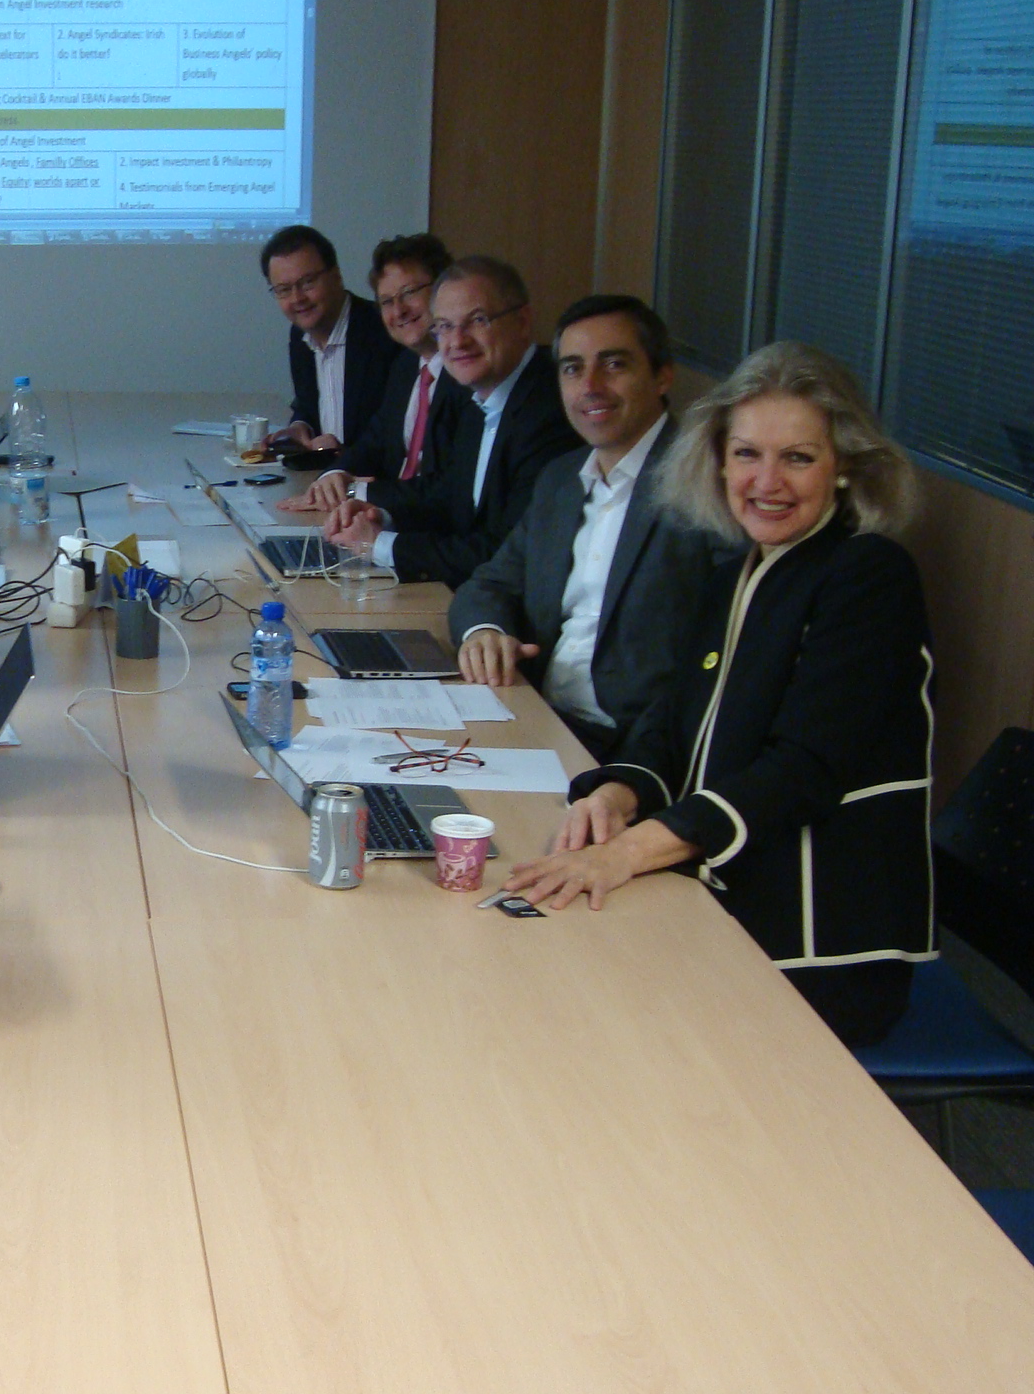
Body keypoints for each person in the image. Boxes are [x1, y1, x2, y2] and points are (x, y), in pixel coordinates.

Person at [505, 341, 932, 1046]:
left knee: (582, 1015)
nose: (767, 481)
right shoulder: (739, 567)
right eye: (746, 454)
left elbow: (803, 769)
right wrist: (618, 794)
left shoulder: (869, 575)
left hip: (817, 944)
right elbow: (672, 718)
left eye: (798, 458)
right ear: (718, 461)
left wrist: (628, 853)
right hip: (716, 889)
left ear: (845, 467)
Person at [447, 296, 735, 758]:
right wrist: (484, 631)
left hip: (634, 750)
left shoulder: (706, 482)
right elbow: (491, 582)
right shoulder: (561, 479)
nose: (590, 386)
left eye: (614, 365)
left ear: (663, 376)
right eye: (572, 369)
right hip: (536, 715)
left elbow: (724, 657)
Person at [323, 256, 580, 587]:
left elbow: (506, 552)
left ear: (522, 321)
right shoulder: (481, 394)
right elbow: (454, 496)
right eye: (444, 326)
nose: (457, 341)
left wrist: (380, 545)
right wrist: (380, 515)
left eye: (477, 320)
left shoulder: (550, 410)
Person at [279, 233, 464, 512]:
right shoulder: (407, 366)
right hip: (385, 515)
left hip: (422, 525)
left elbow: (449, 488)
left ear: (443, 290)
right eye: (387, 301)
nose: (399, 311)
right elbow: (375, 442)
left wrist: (357, 491)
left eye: (409, 293)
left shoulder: (466, 374)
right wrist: (334, 475)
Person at [259, 223, 401, 455]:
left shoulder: (384, 332)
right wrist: (299, 427)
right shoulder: (300, 334)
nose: (297, 298)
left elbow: (398, 435)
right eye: (283, 289)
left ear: (336, 277)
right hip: (325, 472)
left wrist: (344, 456)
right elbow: (309, 404)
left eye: (308, 282)